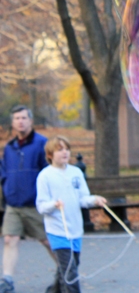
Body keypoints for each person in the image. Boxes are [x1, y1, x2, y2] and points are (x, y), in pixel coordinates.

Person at [36, 136, 106, 293]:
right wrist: (54, 204)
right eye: (59, 150)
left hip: (75, 229)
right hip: (57, 230)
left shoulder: (76, 172)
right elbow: (41, 206)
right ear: (50, 155)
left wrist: (95, 200)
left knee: (68, 269)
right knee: (70, 272)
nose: (65, 152)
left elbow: (83, 198)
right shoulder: (45, 176)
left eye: (67, 149)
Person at [0, 106, 54, 293]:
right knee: (9, 239)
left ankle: (67, 272)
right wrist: (7, 188)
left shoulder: (42, 144)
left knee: (47, 241)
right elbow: (4, 172)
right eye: (17, 118)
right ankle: (7, 280)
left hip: (35, 204)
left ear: (30, 121)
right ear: (13, 123)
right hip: (14, 204)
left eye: (23, 118)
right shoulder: (10, 147)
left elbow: (50, 173)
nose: (20, 121)